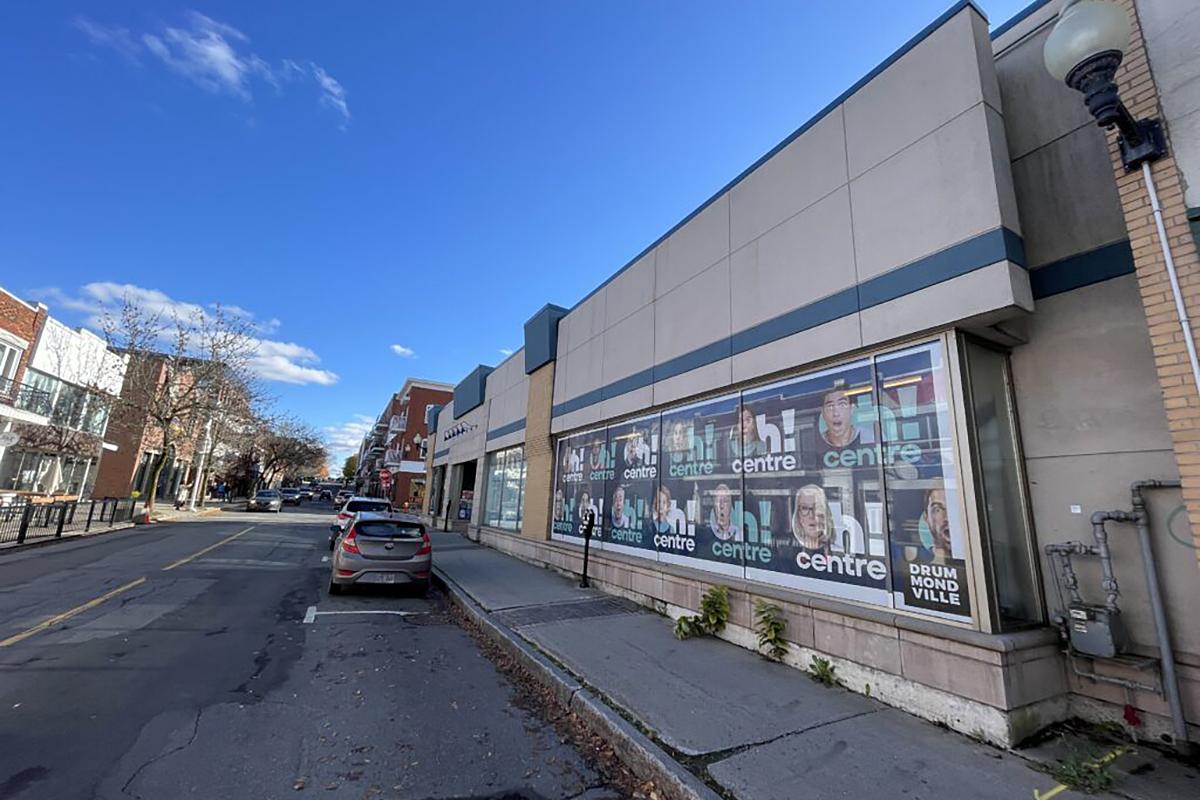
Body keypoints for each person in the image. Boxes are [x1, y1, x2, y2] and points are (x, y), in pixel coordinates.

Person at [790, 484, 832, 552]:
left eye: (817, 507)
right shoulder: (794, 550)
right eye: (804, 508)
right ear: (799, 516)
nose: (811, 515)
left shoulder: (834, 547)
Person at [820, 385, 863, 450]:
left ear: (851, 409)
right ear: (823, 413)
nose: (836, 413)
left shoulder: (871, 436)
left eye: (842, 404)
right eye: (830, 406)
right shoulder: (817, 442)